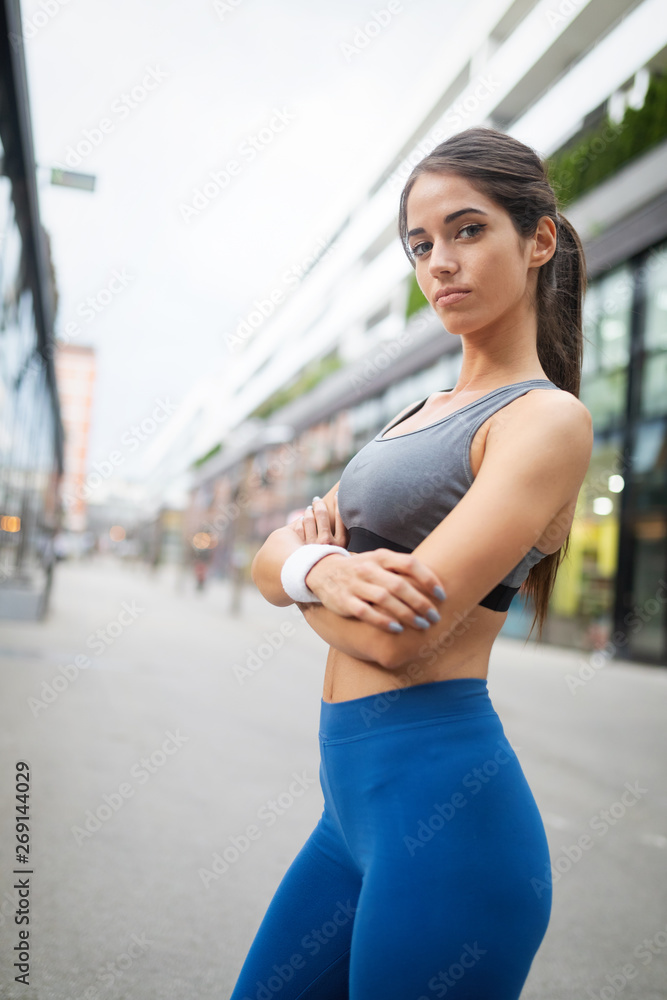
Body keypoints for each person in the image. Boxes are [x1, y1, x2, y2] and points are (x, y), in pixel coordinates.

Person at [229, 126, 593, 1000]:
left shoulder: (543, 421)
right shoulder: (417, 411)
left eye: (467, 231)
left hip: (449, 833)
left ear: (536, 239)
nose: (440, 263)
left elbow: (401, 639)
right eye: (421, 244)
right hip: (347, 820)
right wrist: (314, 570)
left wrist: (305, 568)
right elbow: (266, 558)